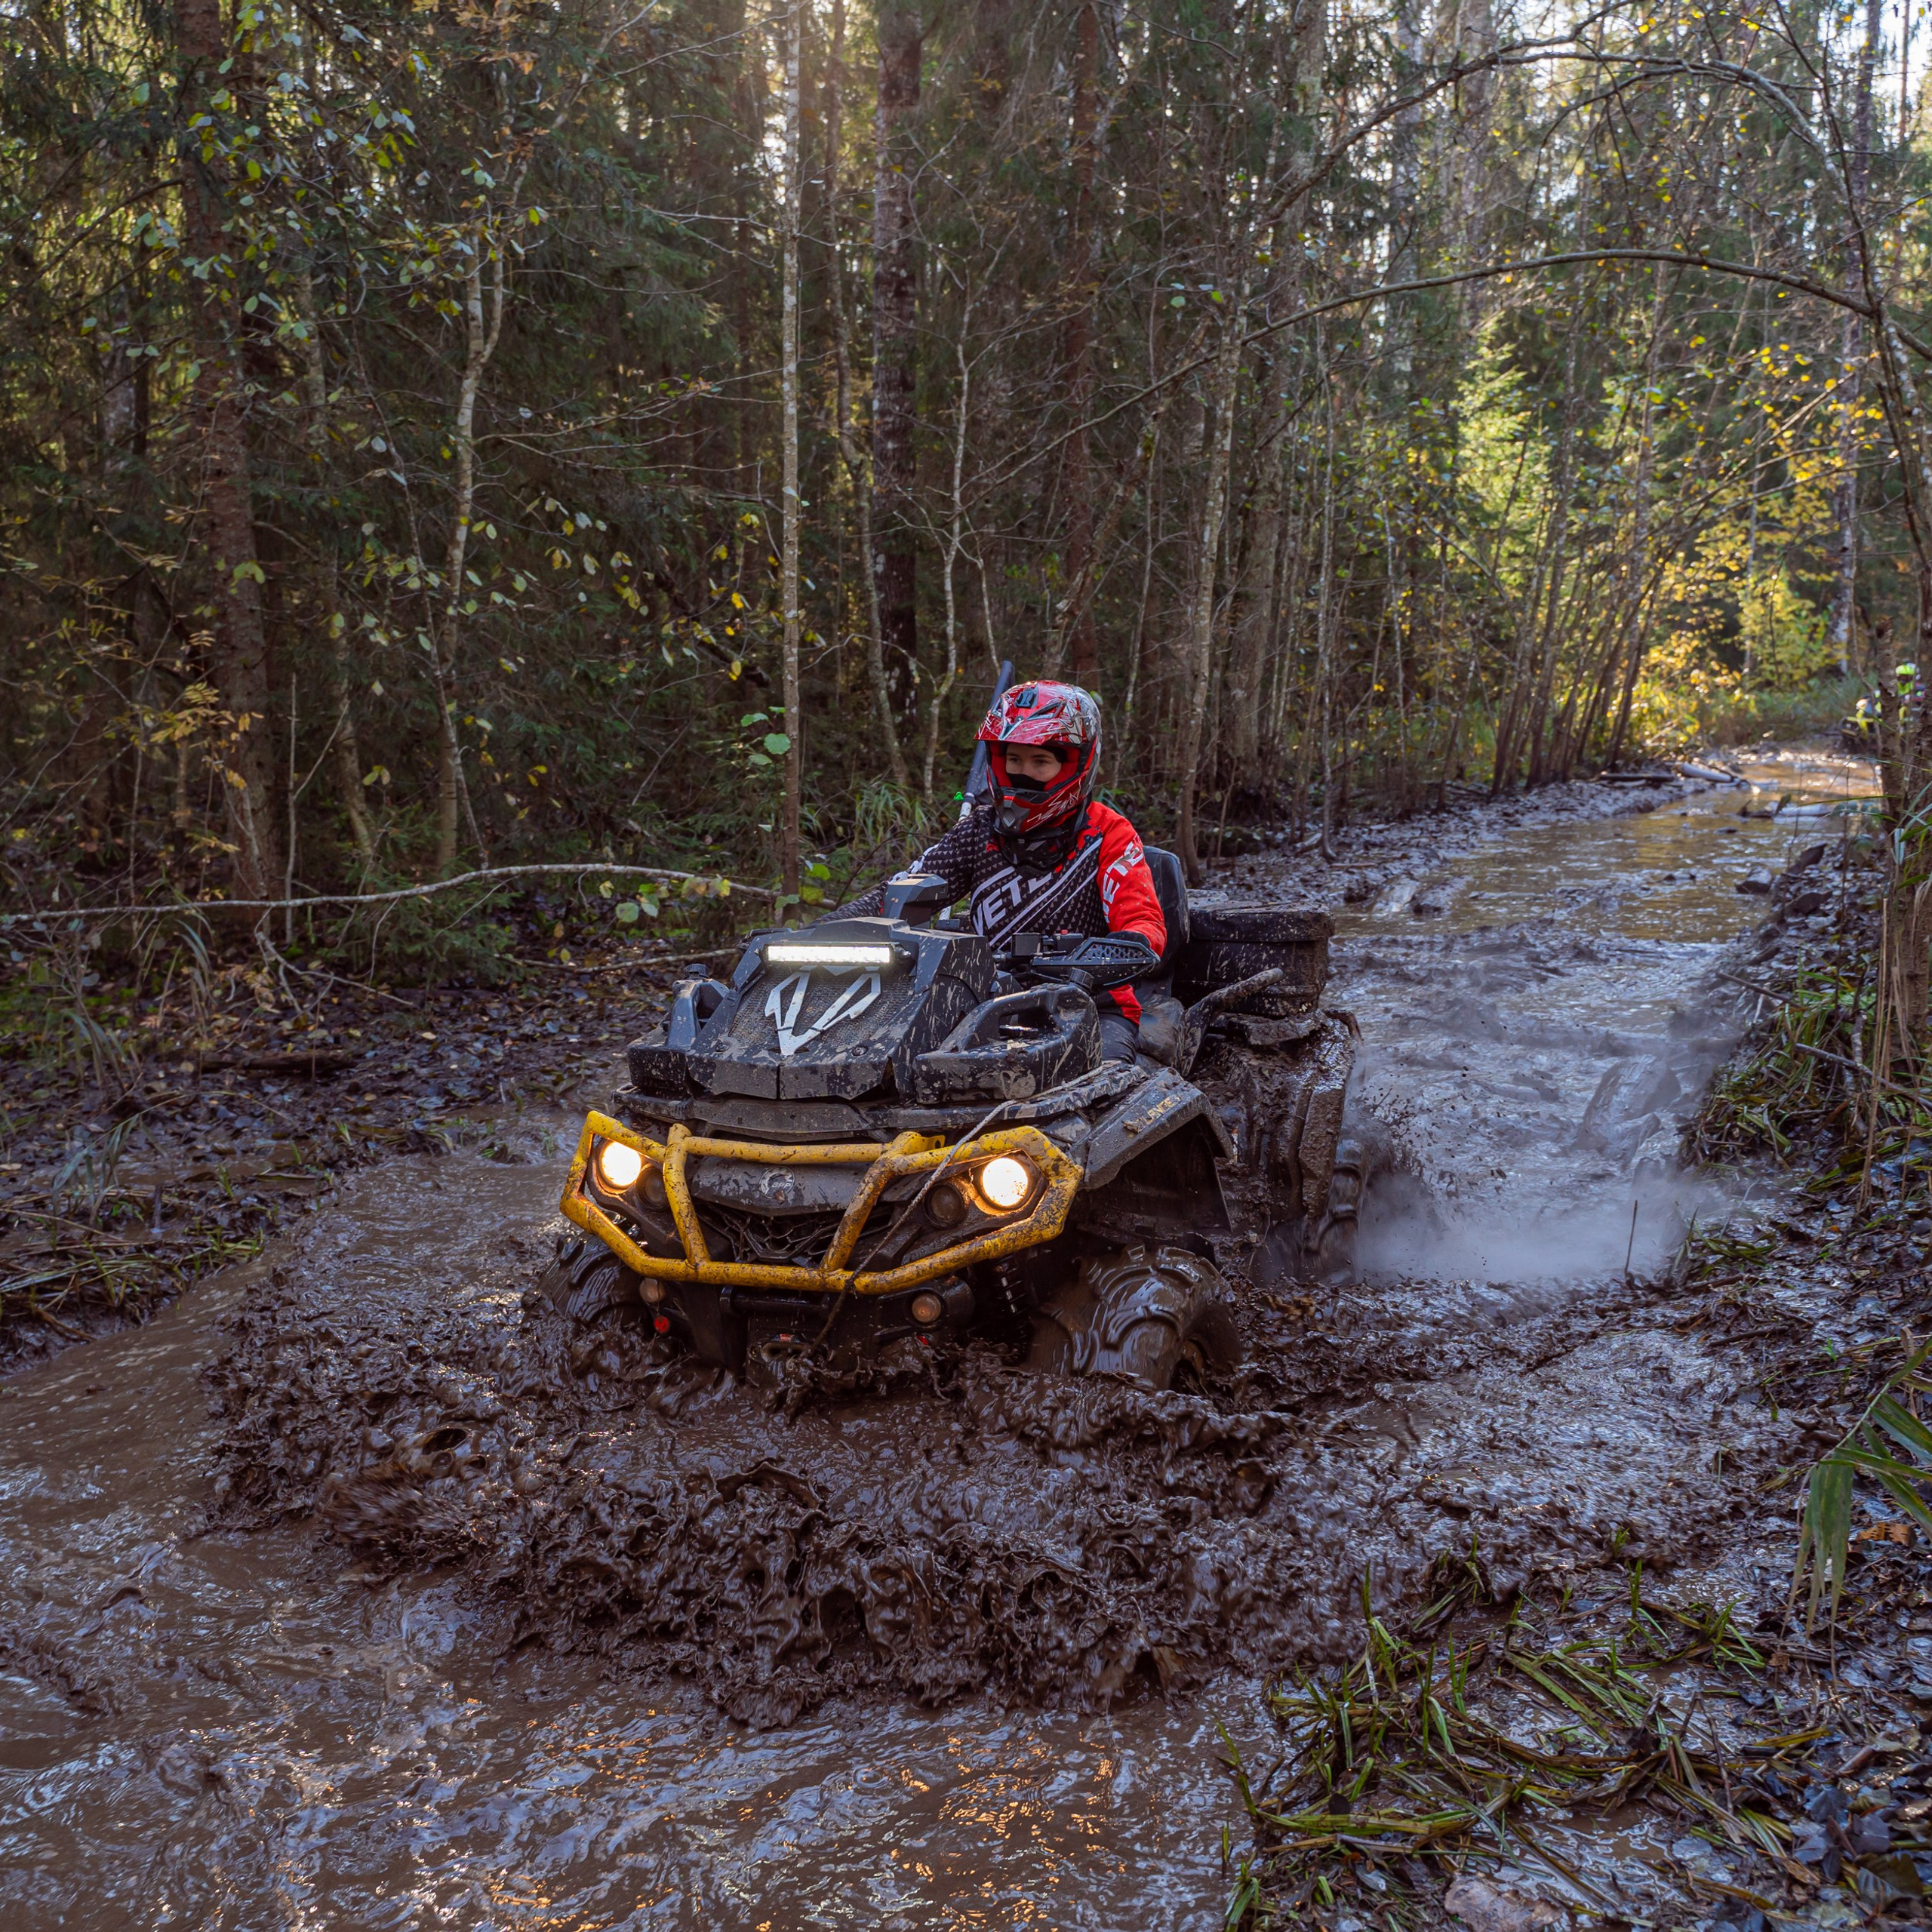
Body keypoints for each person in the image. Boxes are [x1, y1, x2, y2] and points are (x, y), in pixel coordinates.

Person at [846, 681, 1166, 1063]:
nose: (1022, 773)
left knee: (1106, 1087)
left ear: (1074, 765)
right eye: (1014, 760)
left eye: (1040, 762)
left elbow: (1143, 917)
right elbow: (899, 892)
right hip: (980, 1000)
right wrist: (822, 930)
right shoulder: (979, 830)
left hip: (1089, 1003)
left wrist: (1121, 949)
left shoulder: (1107, 832)